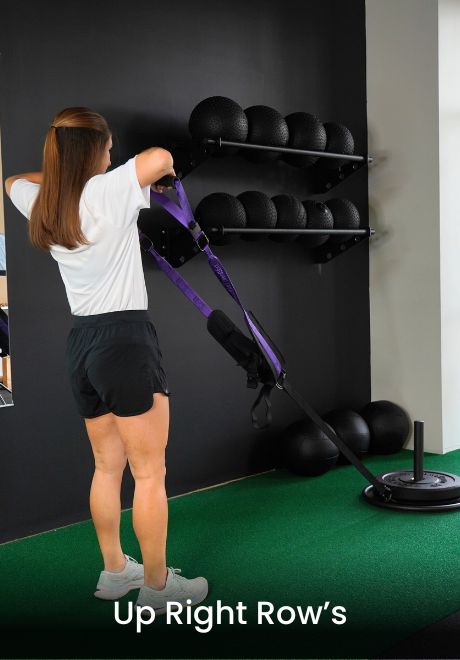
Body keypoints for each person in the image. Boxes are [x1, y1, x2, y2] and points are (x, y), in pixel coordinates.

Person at [4, 107, 208, 613]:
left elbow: (11, 180)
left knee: (105, 467)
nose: (114, 154)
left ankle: (116, 572)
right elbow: (161, 158)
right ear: (95, 151)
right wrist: (110, 174)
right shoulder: (105, 190)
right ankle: (159, 590)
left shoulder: (43, 203)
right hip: (126, 340)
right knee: (149, 473)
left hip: (83, 343)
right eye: (109, 146)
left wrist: (65, 175)